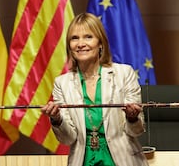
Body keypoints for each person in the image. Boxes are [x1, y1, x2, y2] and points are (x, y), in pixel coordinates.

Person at [41, 13, 149, 166]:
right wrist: (57, 119)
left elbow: (136, 131)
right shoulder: (62, 83)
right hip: (83, 161)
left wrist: (132, 118)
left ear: (100, 43)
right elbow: (67, 139)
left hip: (123, 161)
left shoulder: (124, 74)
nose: (80, 43)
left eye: (88, 37)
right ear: (69, 46)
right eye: (74, 38)